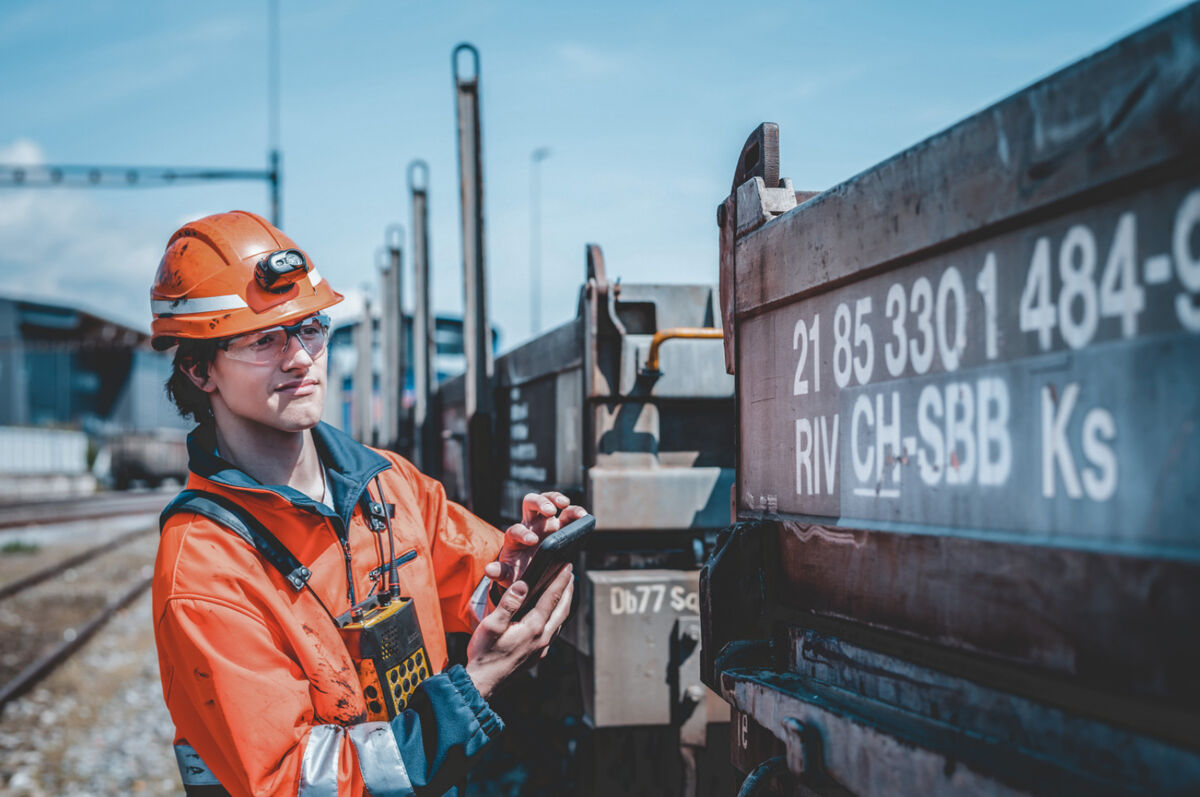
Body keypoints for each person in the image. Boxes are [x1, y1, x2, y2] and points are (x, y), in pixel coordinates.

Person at [149, 209, 584, 797]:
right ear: (200, 369)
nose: (300, 357)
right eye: (263, 340)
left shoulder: (385, 483)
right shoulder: (203, 570)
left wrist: (522, 570)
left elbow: (470, 588)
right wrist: (475, 684)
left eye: (309, 328)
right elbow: (289, 781)